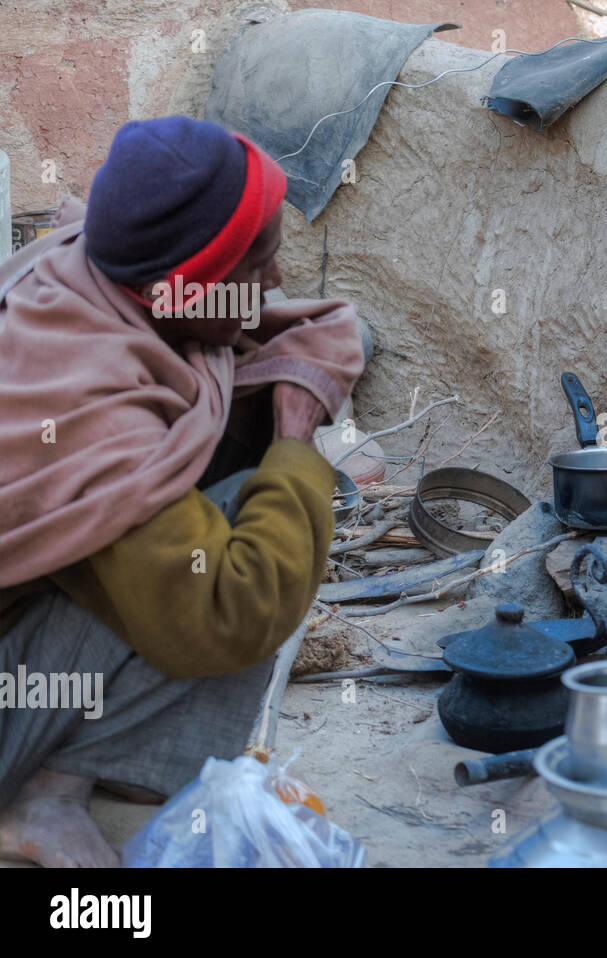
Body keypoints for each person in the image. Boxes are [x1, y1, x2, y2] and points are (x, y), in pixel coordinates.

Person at [0, 117, 365, 866]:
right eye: (254, 262)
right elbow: (233, 614)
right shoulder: (92, 420)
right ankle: (43, 794)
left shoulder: (82, 268)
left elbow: (292, 331)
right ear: (182, 290)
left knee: (221, 473)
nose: (275, 281)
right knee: (247, 557)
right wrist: (297, 446)